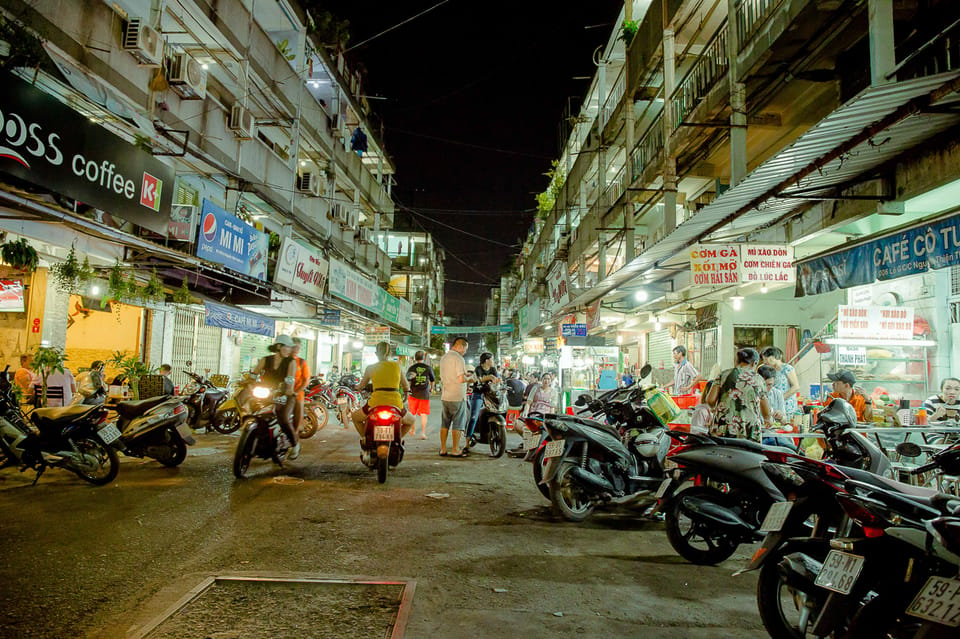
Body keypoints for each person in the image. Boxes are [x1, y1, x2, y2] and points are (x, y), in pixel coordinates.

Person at [352, 342, 415, 458]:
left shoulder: (370, 368)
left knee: (355, 417)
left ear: (376, 354)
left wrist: (356, 387)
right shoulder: (397, 366)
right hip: (396, 404)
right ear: (390, 353)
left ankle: (365, 438)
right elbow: (406, 386)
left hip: (375, 403)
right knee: (411, 420)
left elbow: (361, 386)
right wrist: (406, 391)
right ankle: (399, 439)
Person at [705, 348, 773, 442]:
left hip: (724, 426)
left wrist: (715, 407)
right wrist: (767, 419)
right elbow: (766, 412)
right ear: (755, 363)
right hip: (749, 429)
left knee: (721, 455)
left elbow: (710, 400)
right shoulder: (759, 379)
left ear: (737, 361)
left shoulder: (724, 375)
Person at [252, 334, 300, 460]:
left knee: (282, 417)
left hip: (284, 395)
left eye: (291, 348)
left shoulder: (291, 362)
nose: (290, 350)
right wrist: (248, 381)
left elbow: (290, 378)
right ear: (279, 346)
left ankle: (294, 443)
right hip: (266, 394)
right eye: (287, 347)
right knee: (254, 412)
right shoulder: (265, 360)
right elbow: (254, 374)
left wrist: (289, 389)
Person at [439, 337, 473, 457]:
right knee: (458, 423)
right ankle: (455, 449)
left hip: (445, 395)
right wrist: (469, 378)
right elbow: (461, 378)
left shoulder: (444, 358)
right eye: (465, 349)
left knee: (445, 423)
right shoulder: (458, 359)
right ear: (460, 346)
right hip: (457, 396)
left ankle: (443, 449)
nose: (465, 351)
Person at [467, 352, 499, 440]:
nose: (493, 361)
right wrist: (490, 377)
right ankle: (468, 438)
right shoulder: (478, 368)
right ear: (486, 360)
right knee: (473, 417)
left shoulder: (493, 369)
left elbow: (498, 379)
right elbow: (480, 379)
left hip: (490, 395)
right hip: (478, 394)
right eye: (492, 359)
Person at [761, 347, 801, 417]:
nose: (765, 362)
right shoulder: (771, 370)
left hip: (787, 405)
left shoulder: (787, 368)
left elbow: (796, 387)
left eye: (766, 359)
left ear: (773, 357)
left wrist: (781, 398)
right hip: (774, 405)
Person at [406, 350, 434, 439]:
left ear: (415, 358)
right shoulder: (428, 368)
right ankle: (423, 433)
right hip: (424, 394)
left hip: (413, 394)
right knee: (423, 414)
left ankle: (413, 431)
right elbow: (432, 380)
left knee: (413, 413)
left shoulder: (412, 368)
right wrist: (431, 389)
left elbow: (408, 380)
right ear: (424, 358)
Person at [291, 342, 310, 434]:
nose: (296, 349)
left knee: (298, 412)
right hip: (282, 392)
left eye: (298, 347)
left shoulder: (301, 362)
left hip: (297, 393)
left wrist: (297, 391)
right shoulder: (284, 360)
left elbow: (306, 379)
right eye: (294, 347)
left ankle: (295, 435)